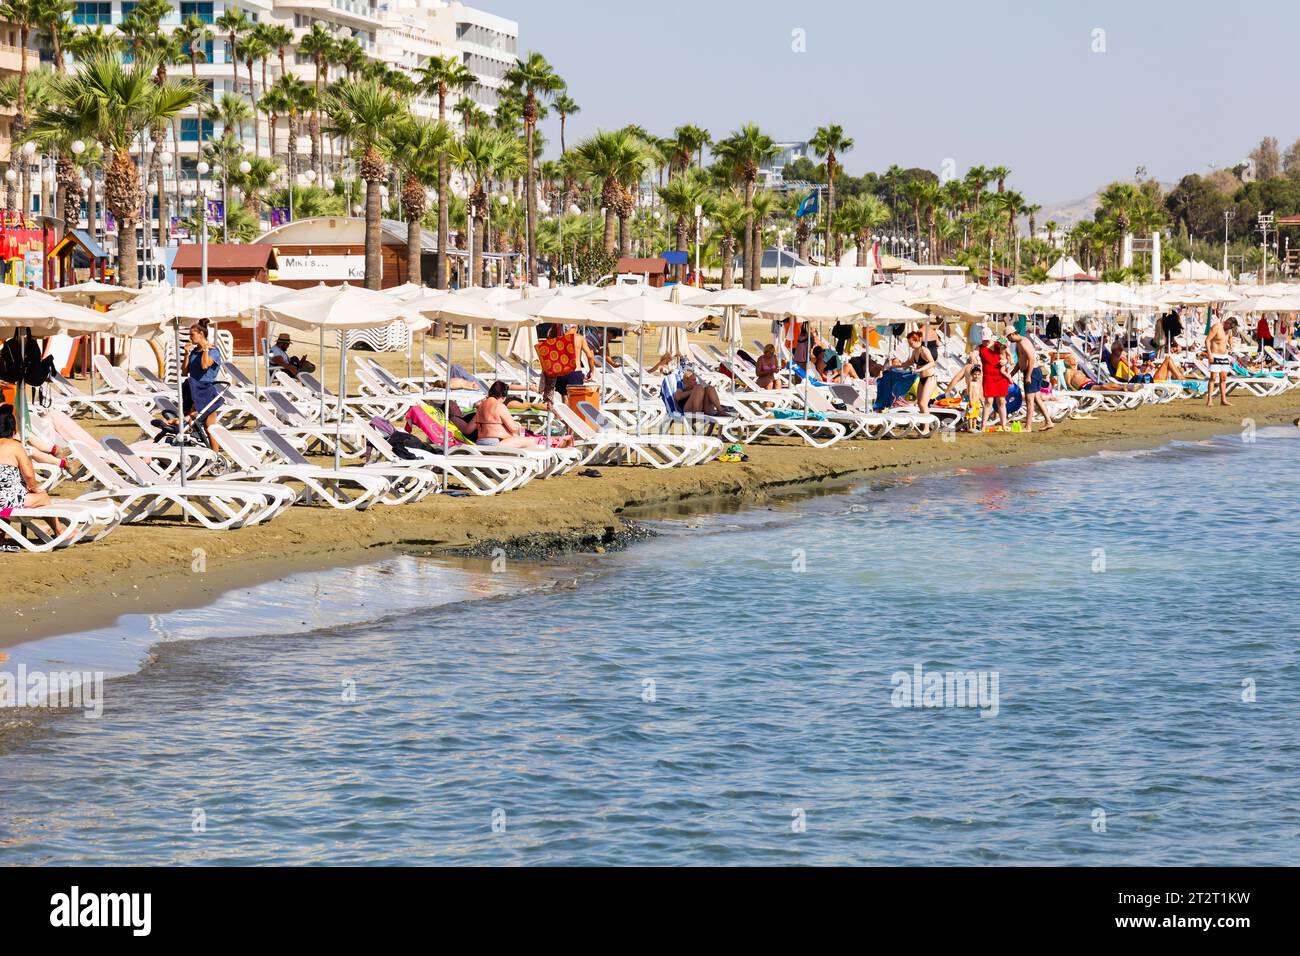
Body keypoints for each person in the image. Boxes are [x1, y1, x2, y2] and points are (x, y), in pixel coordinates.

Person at [0, 404, 60, 535]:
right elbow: (28, 474)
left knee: (7, 495)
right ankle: (59, 531)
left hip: (3, 507)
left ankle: (1, 536)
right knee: (43, 497)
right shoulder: (14, 446)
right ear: (13, 429)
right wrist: (34, 489)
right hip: (6, 507)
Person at [185, 323, 226, 452]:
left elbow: (204, 366)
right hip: (192, 390)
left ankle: (215, 455)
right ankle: (209, 451)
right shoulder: (194, 352)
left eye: (192, 335)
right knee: (200, 423)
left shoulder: (213, 351)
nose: (190, 338)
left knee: (209, 427)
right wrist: (187, 354)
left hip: (206, 391)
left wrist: (206, 349)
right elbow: (184, 372)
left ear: (201, 334)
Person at [1007, 331, 1053, 432]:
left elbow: (1031, 358)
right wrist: (1010, 375)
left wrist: (1028, 376)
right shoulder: (1020, 343)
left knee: (1029, 401)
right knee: (1037, 399)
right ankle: (1049, 421)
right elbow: (1020, 363)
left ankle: (1028, 427)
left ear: (1012, 334)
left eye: (1008, 337)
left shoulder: (1023, 342)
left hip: (1032, 372)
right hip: (1033, 372)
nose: (1009, 340)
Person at [474, 381, 538, 448]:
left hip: (480, 442)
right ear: (503, 395)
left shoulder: (481, 406)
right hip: (495, 443)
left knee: (516, 438)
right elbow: (513, 428)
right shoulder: (499, 406)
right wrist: (518, 424)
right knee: (530, 441)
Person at [896, 330, 938, 415]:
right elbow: (910, 362)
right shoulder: (915, 351)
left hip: (930, 378)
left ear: (916, 340)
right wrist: (898, 365)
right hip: (922, 378)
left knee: (923, 404)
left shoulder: (924, 350)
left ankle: (926, 427)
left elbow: (932, 363)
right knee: (919, 404)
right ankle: (924, 425)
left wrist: (919, 370)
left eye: (911, 343)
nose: (910, 346)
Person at [1204, 316, 1238, 407]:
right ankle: (1209, 400)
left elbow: (1230, 338)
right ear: (1227, 322)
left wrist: (1231, 346)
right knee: (1213, 378)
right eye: (1230, 327)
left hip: (1224, 356)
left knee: (1223, 378)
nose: (1230, 329)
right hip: (1215, 355)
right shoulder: (1217, 327)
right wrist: (1209, 354)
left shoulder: (1229, 330)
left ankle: (1223, 400)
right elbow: (1207, 340)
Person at [978, 339, 1011, 431]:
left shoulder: (1000, 343)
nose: (986, 342)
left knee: (1001, 401)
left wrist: (1006, 362)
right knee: (988, 402)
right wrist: (972, 358)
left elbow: (1010, 357)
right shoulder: (980, 348)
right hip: (989, 377)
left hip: (1001, 377)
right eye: (984, 340)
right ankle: (983, 427)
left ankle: (1004, 425)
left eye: (987, 339)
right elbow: (973, 355)